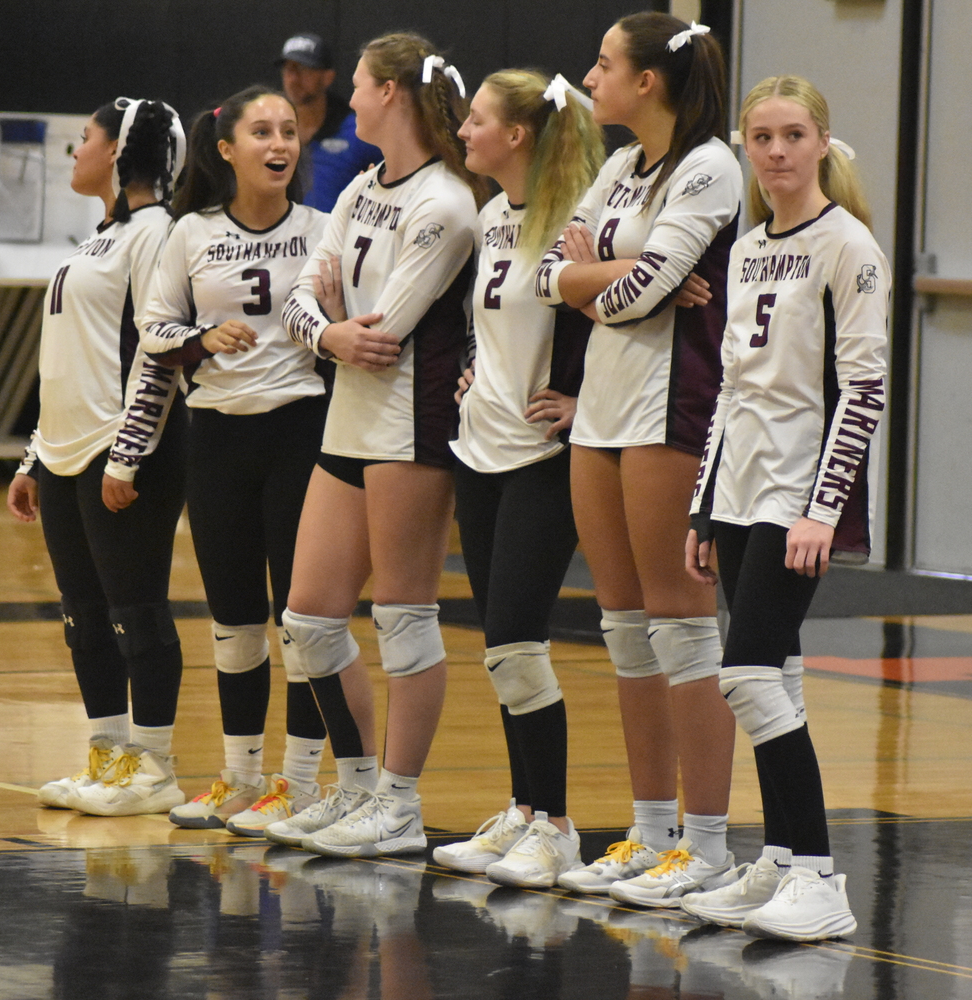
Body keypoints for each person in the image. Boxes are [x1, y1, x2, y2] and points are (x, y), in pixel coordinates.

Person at [532, 12, 744, 902]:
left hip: (670, 409)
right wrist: (600, 281)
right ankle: (651, 830)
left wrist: (605, 280)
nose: (592, 76)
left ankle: (706, 846)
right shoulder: (620, 167)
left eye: (606, 64)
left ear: (648, 81)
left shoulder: (710, 164)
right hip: (601, 412)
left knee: (683, 628)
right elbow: (551, 270)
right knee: (624, 631)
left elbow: (644, 287)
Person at [679, 74, 888, 942]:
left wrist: (822, 509)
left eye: (792, 135)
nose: (775, 152)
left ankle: (821, 878)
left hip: (798, 492)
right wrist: (701, 503)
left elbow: (864, 385)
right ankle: (780, 858)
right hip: (739, 487)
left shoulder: (849, 247)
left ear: (820, 142)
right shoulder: (751, 246)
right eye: (760, 137)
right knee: (779, 674)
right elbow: (732, 387)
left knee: (748, 674)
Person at [267, 31, 485, 858]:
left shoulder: (445, 203)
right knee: (310, 619)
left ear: (390, 92)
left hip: (411, 427)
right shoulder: (361, 188)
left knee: (403, 618)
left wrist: (327, 325)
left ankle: (398, 804)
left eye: (357, 84)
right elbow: (303, 303)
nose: (347, 97)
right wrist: (326, 334)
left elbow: (387, 329)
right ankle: (355, 787)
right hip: (349, 418)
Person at [136, 86, 332, 836]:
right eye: (262, 131)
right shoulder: (189, 233)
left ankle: (301, 784)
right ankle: (240, 776)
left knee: (302, 620)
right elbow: (152, 324)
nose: (279, 143)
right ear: (226, 150)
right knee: (234, 621)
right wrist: (197, 340)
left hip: (300, 431)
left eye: (288, 131)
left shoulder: (321, 227)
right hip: (216, 435)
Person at [428, 69, 604, 889]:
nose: (464, 132)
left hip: (543, 456)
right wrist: (471, 371)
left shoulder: (576, 219)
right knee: (502, 653)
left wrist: (586, 398)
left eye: (476, 121)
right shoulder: (494, 215)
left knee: (519, 642)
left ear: (518, 136)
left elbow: (633, 312)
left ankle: (558, 824)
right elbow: (489, 323)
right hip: (479, 449)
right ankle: (523, 810)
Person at [7, 98, 188, 817]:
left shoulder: (156, 234)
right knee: (84, 615)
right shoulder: (97, 240)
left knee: (136, 611)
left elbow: (161, 352)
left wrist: (130, 453)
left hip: (123, 452)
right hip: (63, 454)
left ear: (118, 152)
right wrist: (33, 457)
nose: (72, 151)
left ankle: (155, 767)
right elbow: (69, 359)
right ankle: (109, 761)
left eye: (83, 139)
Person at [277, 32, 382, 212]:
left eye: (302, 69)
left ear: (327, 77)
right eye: (288, 69)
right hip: (281, 237)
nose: (293, 78)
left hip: (339, 236)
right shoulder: (270, 133)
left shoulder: (359, 132)